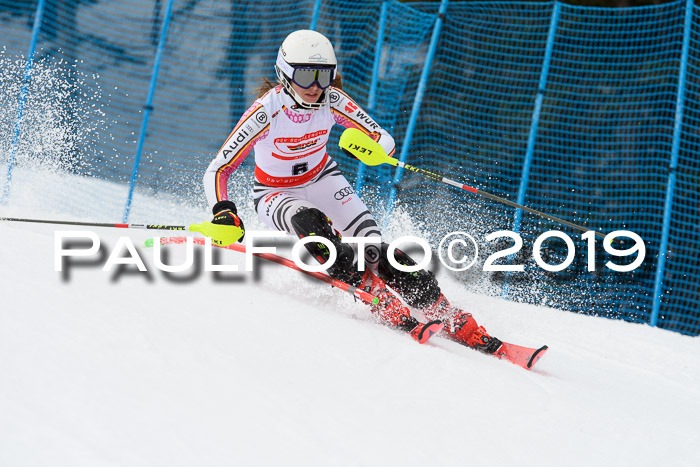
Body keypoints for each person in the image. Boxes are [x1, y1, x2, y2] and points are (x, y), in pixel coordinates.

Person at [202, 29, 500, 352]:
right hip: (275, 193)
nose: (316, 86)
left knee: (374, 248)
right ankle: (369, 288)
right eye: (306, 76)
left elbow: (382, 137)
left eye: (324, 76)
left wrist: (374, 148)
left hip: (323, 179)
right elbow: (219, 168)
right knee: (311, 226)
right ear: (285, 75)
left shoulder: (331, 100)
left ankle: (443, 309)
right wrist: (224, 212)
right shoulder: (266, 112)